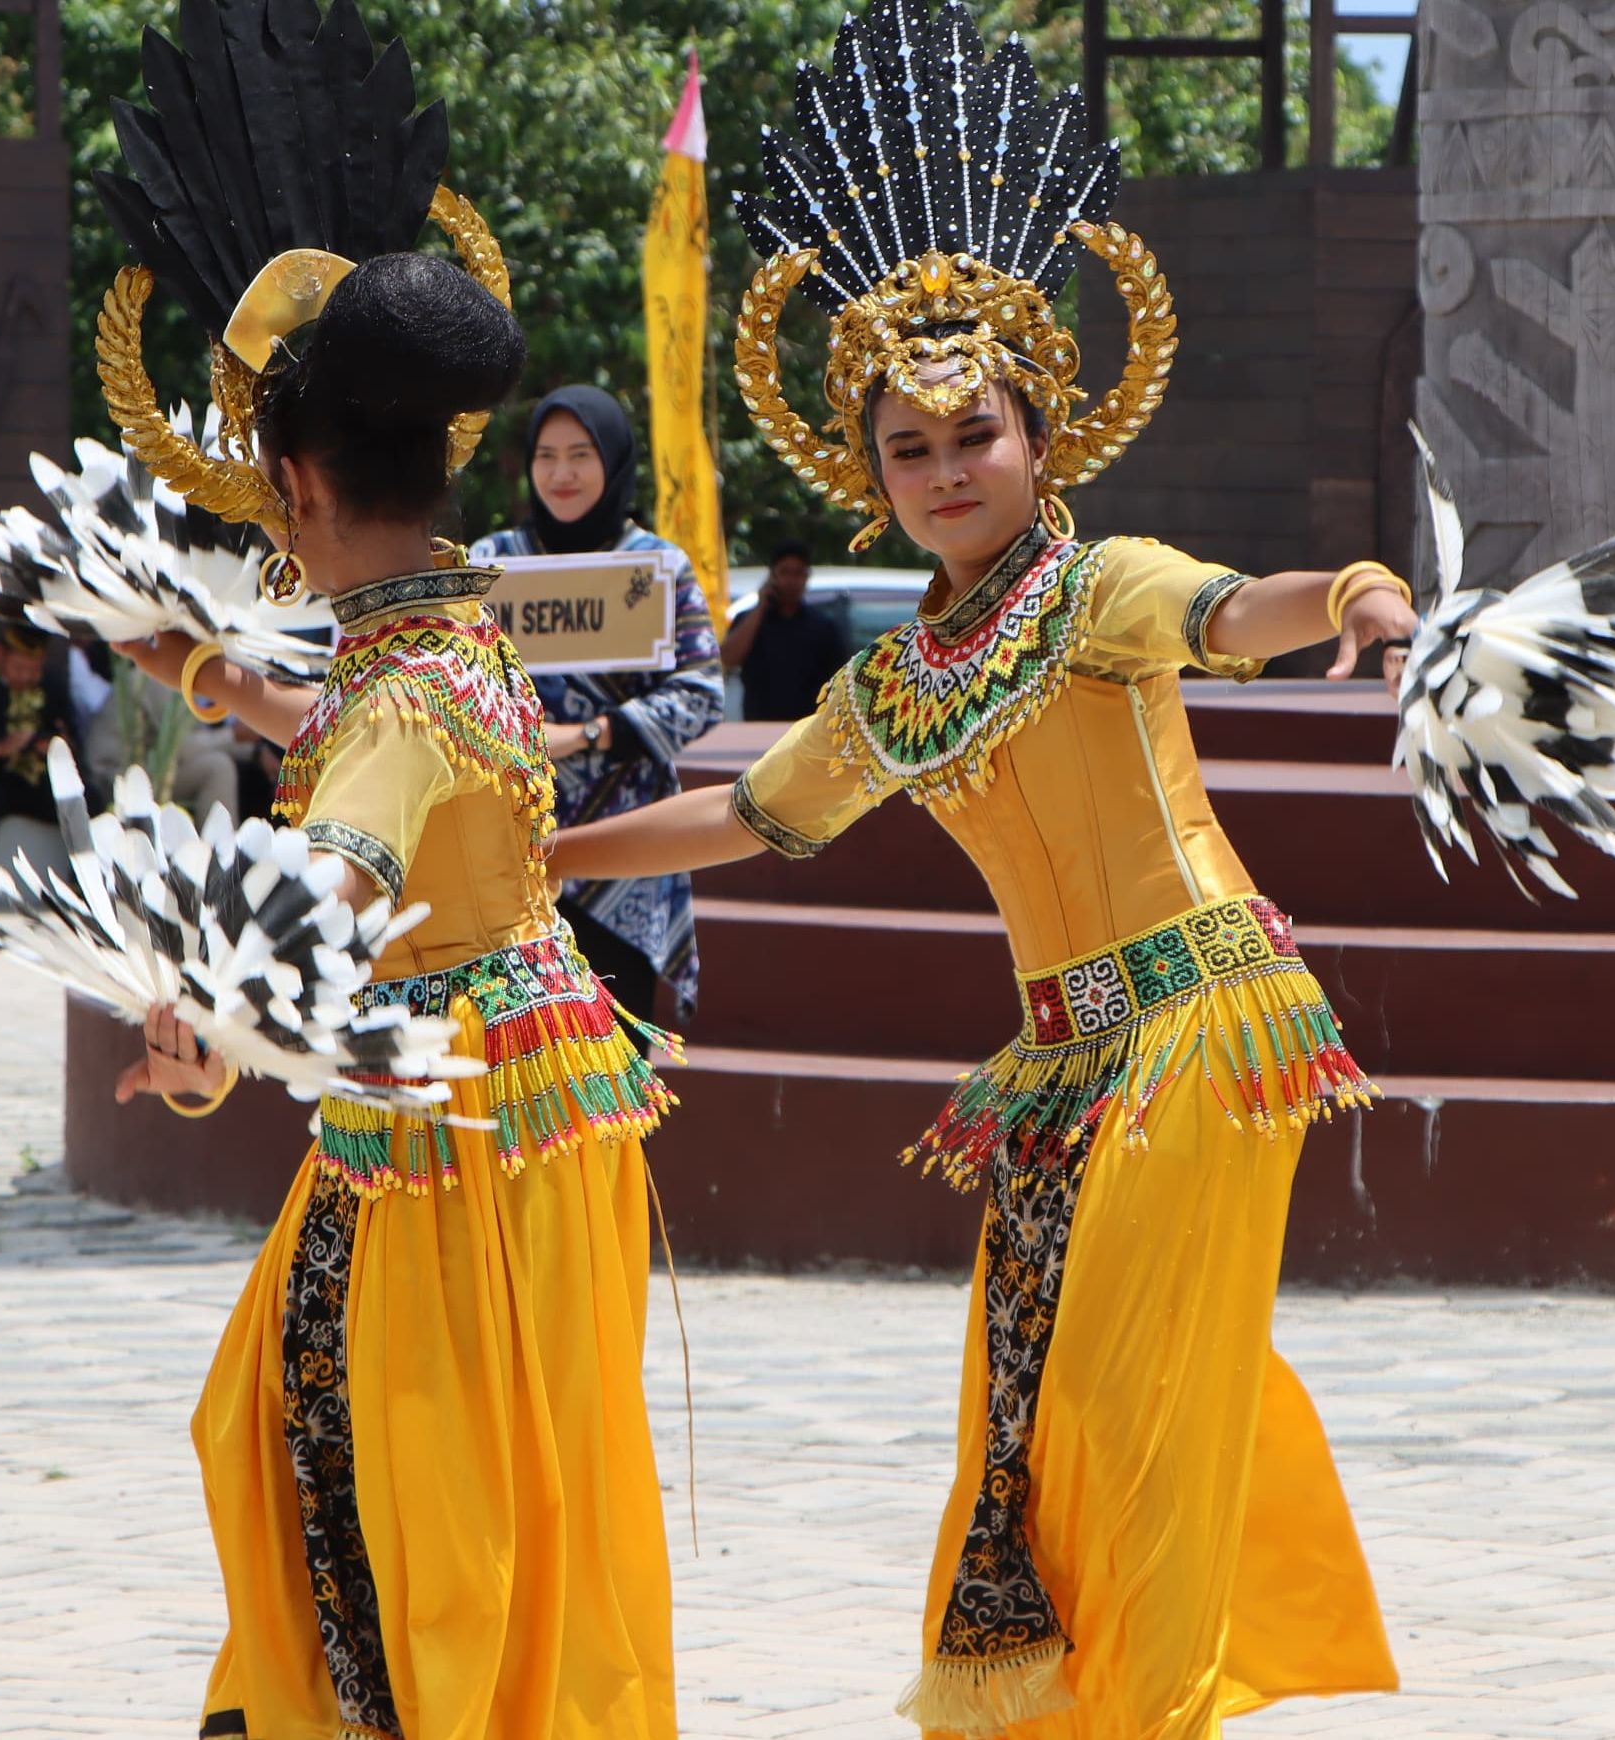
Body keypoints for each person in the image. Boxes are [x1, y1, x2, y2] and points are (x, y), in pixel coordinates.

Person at [545, 6, 1416, 1730]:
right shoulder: (892, 680)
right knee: (1034, 1407)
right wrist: (552, 844)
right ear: (870, 476)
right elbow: (749, 813)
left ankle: (1148, 1711)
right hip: (1055, 1057)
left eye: (977, 437)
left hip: (1203, 1020)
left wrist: (1362, 591)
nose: (946, 471)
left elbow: (1238, 614)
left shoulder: (1103, 592)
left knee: (1115, 1392)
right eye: (909, 448)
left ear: (1046, 437)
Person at [90, 8, 674, 1729]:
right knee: (462, 1478)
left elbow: (338, 854)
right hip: (523, 1096)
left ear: (284, 479)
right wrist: (192, 666)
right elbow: (333, 720)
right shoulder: (453, 636)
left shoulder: (407, 690)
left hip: (450, 1135)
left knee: (362, 1476)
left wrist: (208, 1005)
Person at [468, 385, 725, 1021]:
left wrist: (592, 733)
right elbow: (451, 683)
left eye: (580, 454)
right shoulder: (489, 565)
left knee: (611, 1064)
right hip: (506, 847)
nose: (561, 473)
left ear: (611, 461)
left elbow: (700, 693)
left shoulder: (657, 567)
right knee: (510, 1056)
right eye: (546, 455)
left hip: (626, 856)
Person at [0, 626, 85, 883]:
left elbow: (72, 737)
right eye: (19, 668)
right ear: (0, 655)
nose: (27, 677)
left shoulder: (51, 687)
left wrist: (56, 747)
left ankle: (83, 884)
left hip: (37, 780)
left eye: (34, 670)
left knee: (88, 800)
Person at [723, 539, 852, 722]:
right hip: (757, 728)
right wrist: (760, 607)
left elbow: (840, 682)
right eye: (784, 573)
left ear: (806, 578)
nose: (791, 581)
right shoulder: (750, 621)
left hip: (805, 730)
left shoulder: (822, 627)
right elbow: (728, 659)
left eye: (798, 574)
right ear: (772, 576)